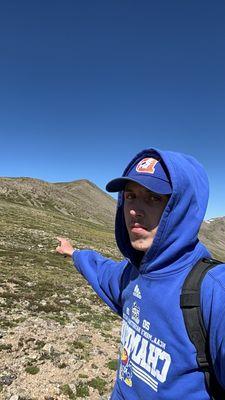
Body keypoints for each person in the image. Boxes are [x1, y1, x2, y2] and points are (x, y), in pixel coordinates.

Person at [56, 147, 225, 399]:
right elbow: (102, 271)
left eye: (154, 198)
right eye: (130, 196)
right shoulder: (132, 273)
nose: (134, 210)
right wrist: (74, 253)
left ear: (181, 207)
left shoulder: (213, 290)